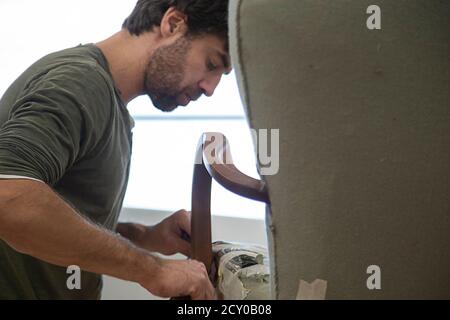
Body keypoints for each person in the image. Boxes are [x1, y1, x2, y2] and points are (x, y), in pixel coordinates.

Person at [0, 0, 231, 300]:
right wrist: (153, 270)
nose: (210, 88)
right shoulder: (80, 84)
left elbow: (64, 216)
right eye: (212, 64)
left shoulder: (108, 101)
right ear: (172, 24)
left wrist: (144, 236)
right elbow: (9, 197)